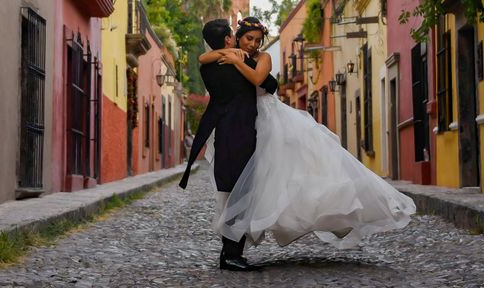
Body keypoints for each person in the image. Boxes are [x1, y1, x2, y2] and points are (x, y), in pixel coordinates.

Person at [199, 16, 417, 251]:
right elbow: (204, 57)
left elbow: (257, 78)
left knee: (302, 167)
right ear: (237, 37)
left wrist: (236, 60)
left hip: (272, 118)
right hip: (249, 122)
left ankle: (333, 212)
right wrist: (230, 55)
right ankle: (241, 235)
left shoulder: (264, 58)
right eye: (248, 38)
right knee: (267, 178)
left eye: (257, 40)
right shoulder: (231, 53)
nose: (252, 44)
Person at [179, 19, 277, 271]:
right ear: (228, 39)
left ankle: (230, 252)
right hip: (243, 133)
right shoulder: (238, 62)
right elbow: (267, 83)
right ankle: (231, 254)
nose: (249, 43)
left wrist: (231, 56)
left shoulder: (209, 67)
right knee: (240, 193)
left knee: (230, 193)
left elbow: (203, 58)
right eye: (240, 37)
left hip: (224, 135)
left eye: (256, 39)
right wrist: (236, 58)